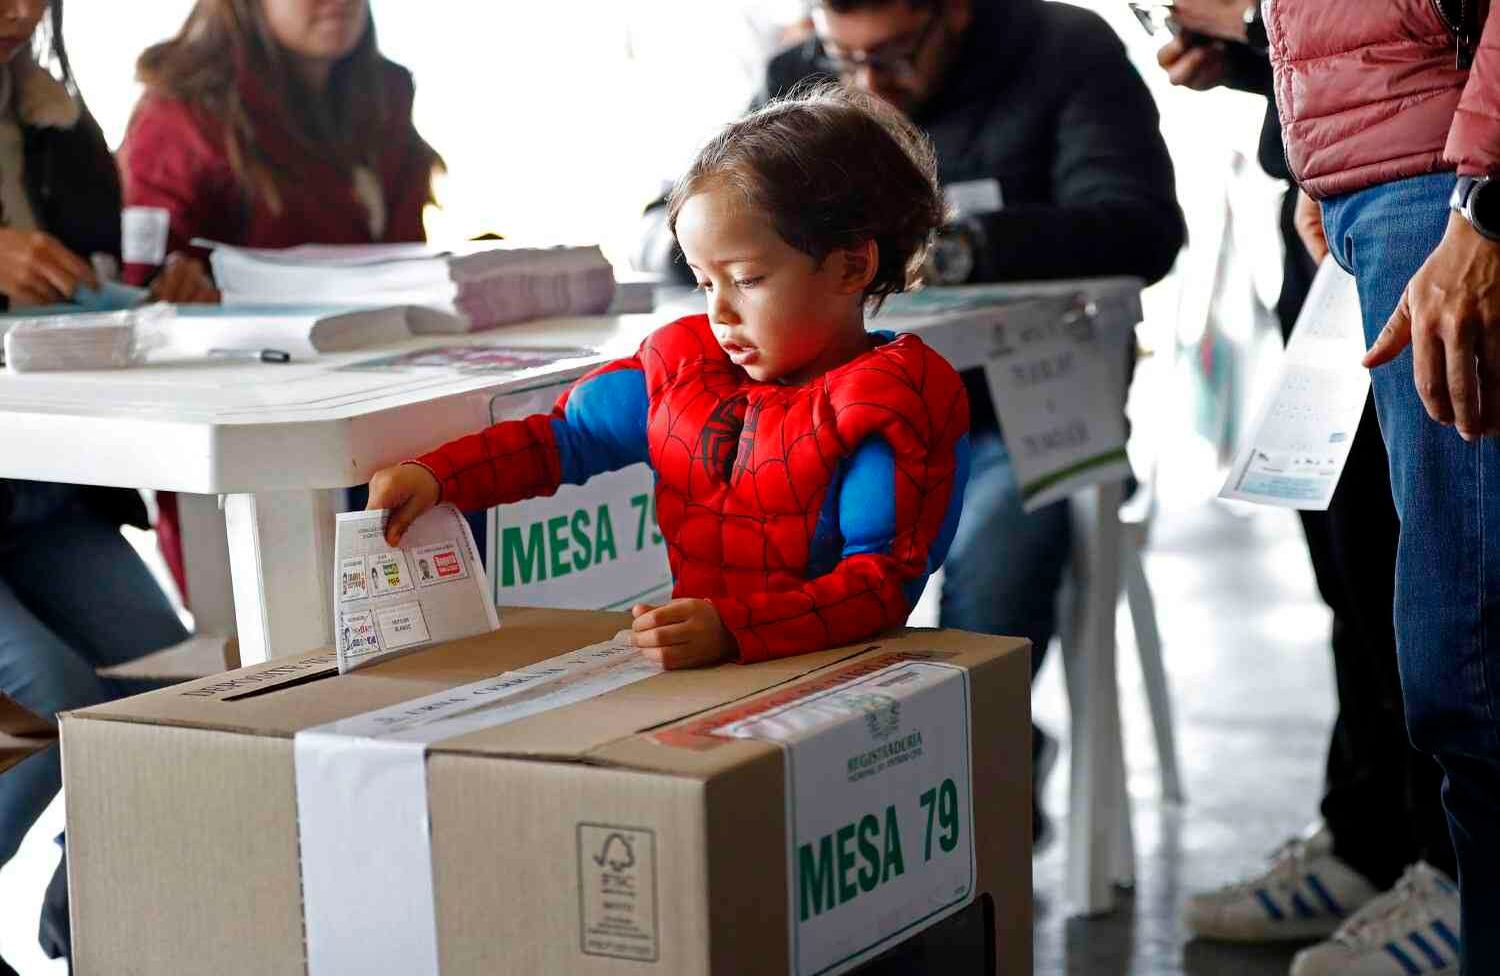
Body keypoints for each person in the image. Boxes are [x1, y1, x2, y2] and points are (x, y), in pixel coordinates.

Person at [645, 0, 1181, 837]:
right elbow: (674, 221)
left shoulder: (1062, 49)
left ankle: (971, 772)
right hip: (831, 418)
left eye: (892, 54)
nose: (866, 83)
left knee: (995, 554)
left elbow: (1140, 228)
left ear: (955, 12)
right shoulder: (801, 82)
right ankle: (813, 786)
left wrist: (945, 247)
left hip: (1018, 413)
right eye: (842, 55)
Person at [369, 86, 970, 666]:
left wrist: (735, 631)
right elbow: (562, 439)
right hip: (706, 674)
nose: (720, 311)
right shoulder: (684, 368)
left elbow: (880, 583)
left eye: (748, 279)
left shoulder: (893, 399)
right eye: (706, 282)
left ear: (851, 265)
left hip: (831, 676)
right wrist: (438, 475)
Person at [1152, 11, 1460, 973]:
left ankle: (1457, 872)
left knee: (1447, 579)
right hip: (1332, 193)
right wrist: (1258, 57)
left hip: (1438, 198)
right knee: (1354, 559)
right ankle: (1379, 839)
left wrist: (1243, 16)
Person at [1260, 1, 1500, 973]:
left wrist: (1488, 202)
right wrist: (1322, 149)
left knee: (1473, 663)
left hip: (1448, 177)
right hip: (1383, 172)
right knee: (1436, 652)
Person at [116, 0, 443, 603]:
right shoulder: (182, 109)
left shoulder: (385, 90)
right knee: (288, 630)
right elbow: (141, 289)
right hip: (249, 434)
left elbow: (398, 260)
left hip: (380, 407)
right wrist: (178, 282)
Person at [0, 1, 194, 970]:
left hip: (44, 489)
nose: (21, 13)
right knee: (52, 697)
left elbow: (102, 286)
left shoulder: (60, 124)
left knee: (180, 696)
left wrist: (162, 289)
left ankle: (93, 926)